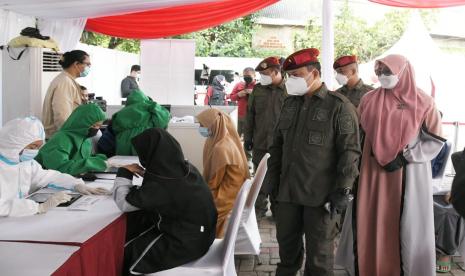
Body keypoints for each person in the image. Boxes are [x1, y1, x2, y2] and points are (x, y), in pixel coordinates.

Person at [336, 54, 445, 276]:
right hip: (372, 170)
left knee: (402, 223)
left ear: (404, 72)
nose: (382, 77)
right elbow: (359, 133)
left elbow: (435, 139)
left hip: (407, 173)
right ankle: (368, 265)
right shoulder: (369, 99)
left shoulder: (423, 102)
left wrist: (406, 157)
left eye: (387, 72)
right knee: (368, 216)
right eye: (379, 72)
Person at [265, 48, 361, 276]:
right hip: (287, 193)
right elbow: (276, 145)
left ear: (314, 74)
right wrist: (272, 182)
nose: (291, 80)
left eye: (297, 75)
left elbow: (350, 151)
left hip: (321, 197)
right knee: (287, 254)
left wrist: (344, 189)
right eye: (289, 76)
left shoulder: (339, 106)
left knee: (319, 259)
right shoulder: (290, 104)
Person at [112, 128, 217, 275]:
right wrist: (151, 175)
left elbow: (124, 203)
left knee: (125, 258)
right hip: (203, 235)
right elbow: (166, 192)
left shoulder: (162, 185)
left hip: (185, 243)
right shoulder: (185, 168)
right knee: (134, 235)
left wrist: (124, 172)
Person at [0, 117, 108, 217]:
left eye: (38, 147)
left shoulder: (26, 163)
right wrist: (38, 207)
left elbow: (48, 177)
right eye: (32, 147)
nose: (35, 151)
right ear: (15, 143)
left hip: (19, 219)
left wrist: (76, 184)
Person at [244, 56, 287, 219]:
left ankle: (277, 213)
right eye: (261, 74)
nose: (262, 77)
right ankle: (258, 211)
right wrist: (248, 138)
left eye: (265, 74)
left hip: (281, 145)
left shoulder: (289, 90)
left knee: (279, 179)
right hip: (260, 143)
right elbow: (250, 116)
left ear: (276, 72)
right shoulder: (258, 90)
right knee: (259, 179)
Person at [196, 108, 249, 238]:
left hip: (227, 192)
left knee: (198, 209)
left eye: (203, 125)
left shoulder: (221, 148)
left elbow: (214, 182)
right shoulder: (219, 139)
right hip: (230, 187)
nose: (200, 128)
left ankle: (206, 240)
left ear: (213, 125)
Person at [35, 104, 108, 176]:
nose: (97, 129)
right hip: (43, 182)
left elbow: (84, 158)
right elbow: (60, 167)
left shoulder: (84, 139)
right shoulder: (61, 139)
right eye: (94, 125)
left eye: (99, 125)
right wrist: (95, 163)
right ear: (81, 123)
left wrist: (104, 159)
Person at [42, 50, 90, 138]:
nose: (89, 67)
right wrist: (71, 138)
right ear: (76, 64)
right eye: (87, 64)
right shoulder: (65, 82)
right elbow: (62, 117)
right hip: (60, 139)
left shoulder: (67, 80)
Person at [112, 89, 170, 155]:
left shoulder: (119, 114)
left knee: (125, 164)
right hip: (144, 142)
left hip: (123, 146)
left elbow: (115, 128)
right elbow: (162, 121)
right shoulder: (149, 106)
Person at [229, 67, 256, 138]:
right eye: (245, 76)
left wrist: (254, 94)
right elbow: (231, 97)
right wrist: (238, 94)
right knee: (236, 137)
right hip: (240, 116)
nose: (246, 78)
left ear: (254, 75)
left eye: (249, 76)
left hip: (253, 117)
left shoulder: (258, 86)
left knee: (250, 138)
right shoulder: (239, 85)